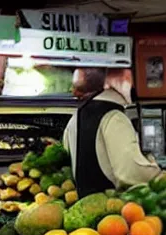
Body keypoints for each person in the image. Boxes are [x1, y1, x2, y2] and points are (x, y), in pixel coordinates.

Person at [63, 68, 160, 196]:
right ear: (108, 84)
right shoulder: (114, 117)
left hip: (85, 205)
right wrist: (160, 174)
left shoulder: (74, 119)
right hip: (111, 208)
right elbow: (131, 173)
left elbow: (67, 161)